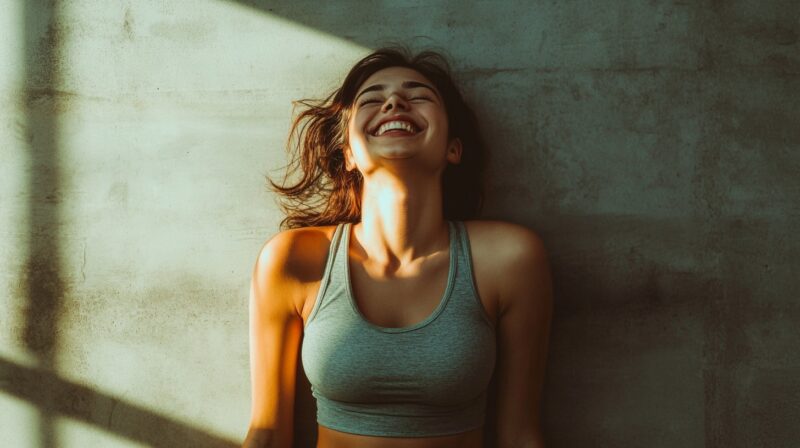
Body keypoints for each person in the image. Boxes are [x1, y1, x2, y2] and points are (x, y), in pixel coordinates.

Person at [242, 46, 553, 448]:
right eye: (372, 99)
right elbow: (267, 435)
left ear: (452, 148)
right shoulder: (293, 260)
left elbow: (520, 436)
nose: (394, 102)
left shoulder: (510, 259)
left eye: (418, 95)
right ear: (349, 154)